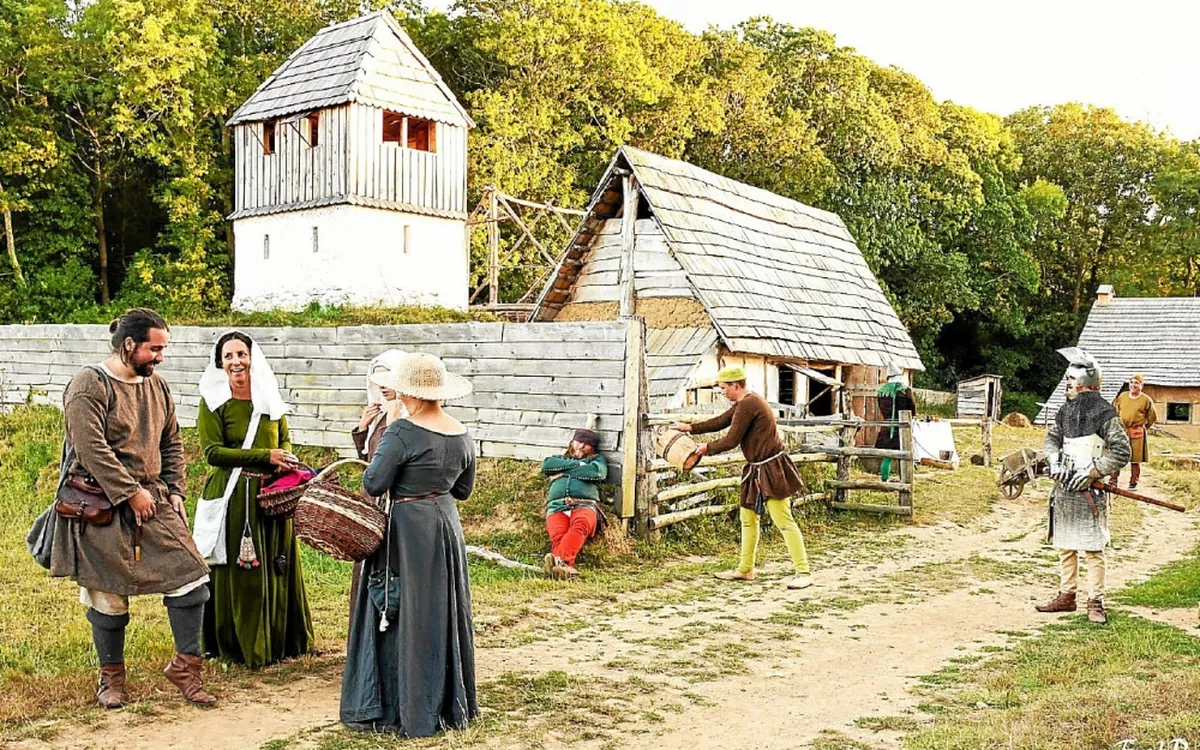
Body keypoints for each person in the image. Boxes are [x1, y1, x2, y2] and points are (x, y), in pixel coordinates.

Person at [49, 308, 216, 708]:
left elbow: (172, 441)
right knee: (107, 595)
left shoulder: (157, 386)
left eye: (163, 349)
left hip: (152, 499)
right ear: (129, 344)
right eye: (154, 349)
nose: (160, 357)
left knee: (191, 578)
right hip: (100, 505)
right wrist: (129, 492)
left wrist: (175, 490)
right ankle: (111, 679)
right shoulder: (89, 384)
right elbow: (90, 448)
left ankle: (186, 668)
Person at [341, 353, 478, 737]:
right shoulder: (461, 433)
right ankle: (446, 704)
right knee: (441, 608)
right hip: (446, 526)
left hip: (407, 528)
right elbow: (463, 490)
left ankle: (405, 707)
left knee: (405, 608)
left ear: (409, 392)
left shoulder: (402, 431)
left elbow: (373, 482)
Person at [196, 331, 314, 668]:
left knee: (278, 563)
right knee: (242, 570)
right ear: (220, 362)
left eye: (241, 354)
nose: (236, 362)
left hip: (271, 495)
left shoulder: (268, 396)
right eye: (228, 356)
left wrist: (283, 461)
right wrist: (266, 456)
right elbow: (212, 452)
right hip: (235, 496)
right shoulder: (214, 401)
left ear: (252, 358)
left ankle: (282, 641)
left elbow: (284, 438)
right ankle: (241, 645)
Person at [672, 366, 812, 590]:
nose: (722, 392)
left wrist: (706, 448)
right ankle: (745, 569)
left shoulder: (750, 404)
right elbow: (720, 421)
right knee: (747, 519)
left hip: (772, 468)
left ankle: (803, 572)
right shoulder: (743, 403)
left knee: (784, 521)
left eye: (724, 388)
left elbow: (731, 440)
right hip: (755, 469)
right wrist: (690, 428)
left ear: (735, 385)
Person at [1036, 347, 1130, 625]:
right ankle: (1067, 596)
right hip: (1065, 486)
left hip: (1091, 490)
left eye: (1070, 380)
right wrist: (1054, 460)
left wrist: (1093, 471)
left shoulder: (1106, 413)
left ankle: (1095, 602)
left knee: (1092, 549)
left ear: (1083, 381)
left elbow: (1121, 451)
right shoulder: (1066, 410)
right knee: (1065, 545)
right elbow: (1052, 439)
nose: (1067, 384)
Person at [347, 349, 408, 633]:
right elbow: (367, 462)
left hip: (393, 504)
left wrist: (393, 422)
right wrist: (362, 429)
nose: (383, 386)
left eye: (389, 379)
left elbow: (393, 462)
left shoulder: (406, 418)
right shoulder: (379, 416)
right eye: (378, 380)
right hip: (371, 500)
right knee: (367, 567)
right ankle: (364, 633)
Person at [541, 429, 609, 580]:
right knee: (558, 536)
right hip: (557, 506)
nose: (581, 446)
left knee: (581, 525)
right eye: (579, 442)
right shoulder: (558, 459)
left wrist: (563, 472)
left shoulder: (597, 460)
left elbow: (597, 472)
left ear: (592, 448)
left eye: (586, 444)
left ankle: (560, 563)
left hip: (584, 505)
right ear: (572, 442)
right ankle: (565, 569)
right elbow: (546, 465)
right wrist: (578, 465)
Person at [1111, 374, 1157, 490]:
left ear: (1141, 385)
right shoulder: (1122, 396)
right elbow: (1116, 411)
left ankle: (1133, 483)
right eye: (1131, 382)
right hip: (1122, 431)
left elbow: (1152, 417)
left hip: (1137, 432)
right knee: (1117, 455)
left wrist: (1143, 427)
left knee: (1135, 459)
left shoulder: (1146, 400)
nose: (1133, 385)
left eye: (1136, 383)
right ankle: (1113, 481)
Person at [875, 362, 918, 481]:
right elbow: (913, 409)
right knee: (903, 455)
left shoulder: (881, 391)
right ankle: (904, 479)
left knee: (887, 456)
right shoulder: (905, 390)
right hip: (902, 427)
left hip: (887, 426)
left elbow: (881, 408)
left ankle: (884, 480)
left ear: (889, 376)